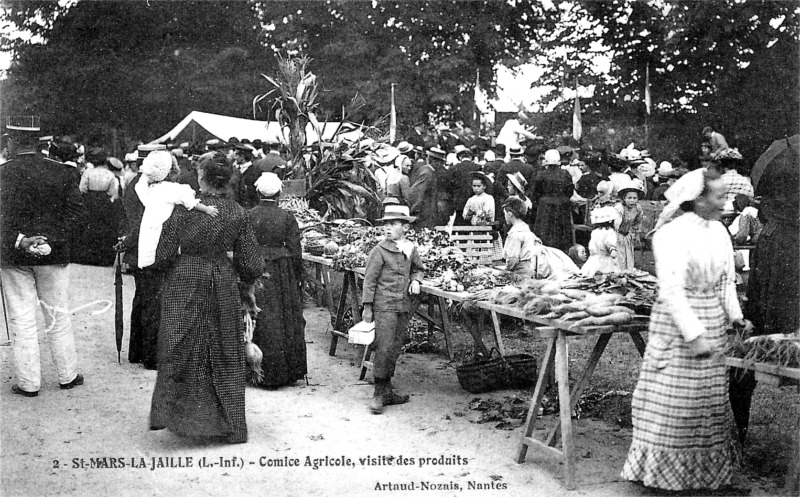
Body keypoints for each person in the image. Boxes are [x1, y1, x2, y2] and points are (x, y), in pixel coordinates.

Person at [622, 168, 750, 493]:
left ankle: (702, 478)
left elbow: (725, 282)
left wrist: (735, 318)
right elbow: (671, 291)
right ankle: (663, 480)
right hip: (679, 325)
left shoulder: (720, 230)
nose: (725, 202)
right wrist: (694, 335)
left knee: (707, 404)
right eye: (719, 196)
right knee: (674, 405)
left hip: (713, 320)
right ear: (697, 199)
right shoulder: (671, 234)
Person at [149, 152, 263, 444]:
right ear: (228, 180)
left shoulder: (184, 210)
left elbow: (162, 255)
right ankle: (229, 424)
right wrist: (245, 284)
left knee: (182, 344)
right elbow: (250, 263)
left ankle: (185, 419)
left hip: (185, 278)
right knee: (224, 347)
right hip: (222, 280)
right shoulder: (238, 212)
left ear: (201, 178)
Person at [0, 116, 85, 397]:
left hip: (14, 254)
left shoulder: (3, 173)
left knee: (21, 318)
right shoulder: (64, 173)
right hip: (54, 253)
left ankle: (28, 382)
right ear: (39, 142)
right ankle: (67, 375)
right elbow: (77, 216)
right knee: (58, 315)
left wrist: (22, 240)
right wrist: (50, 239)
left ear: (11, 141)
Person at [730, 139, 799, 445]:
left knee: (745, 359)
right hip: (785, 313)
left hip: (768, 317)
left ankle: (741, 427)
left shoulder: (769, 232)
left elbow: (757, 287)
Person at [361, 203, 425, 415]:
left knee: (396, 346)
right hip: (384, 306)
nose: (388, 228)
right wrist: (368, 307)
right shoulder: (379, 251)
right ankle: (378, 392)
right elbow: (369, 281)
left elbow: (418, 268)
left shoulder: (410, 249)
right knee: (384, 346)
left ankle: (388, 389)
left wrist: (416, 280)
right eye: (386, 224)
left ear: (405, 228)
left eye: (394, 224)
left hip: (402, 306)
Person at [247, 172, 307, 388]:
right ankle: (285, 371)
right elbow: (295, 250)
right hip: (281, 272)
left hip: (255, 270)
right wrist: (298, 276)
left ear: (257, 192)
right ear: (280, 193)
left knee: (258, 316)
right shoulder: (287, 217)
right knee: (282, 318)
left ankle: (256, 371)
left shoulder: (250, 215)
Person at [119, 143, 168, 369]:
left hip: (138, 248)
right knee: (152, 301)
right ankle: (150, 354)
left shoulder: (134, 183)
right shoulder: (145, 185)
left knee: (143, 297)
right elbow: (140, 222)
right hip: (148, 248)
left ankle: (137, 350)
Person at [135, 150, 219, 269]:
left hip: (149, 226)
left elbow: (140, 184)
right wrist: (207, 209)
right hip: (165, 230)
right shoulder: (174, 189)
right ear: (171, 172)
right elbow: (191, 203)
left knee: (149, 247)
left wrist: (148, 175)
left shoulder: (149, 189)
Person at [501, 197, 578, 280]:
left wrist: (507, 268)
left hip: (520, 271)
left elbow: (513, 257)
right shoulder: (527, 232)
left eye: (504, 213)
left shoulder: (515, 234)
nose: (504, 216)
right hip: (531, 267)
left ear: (510, 214)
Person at [73, 147, 126, 266]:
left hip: (89, 201)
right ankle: (102, 257)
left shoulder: (88, 172)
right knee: (103, 228)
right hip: (104, 202)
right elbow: (113, 192)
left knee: (89, 227)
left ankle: (86, 256)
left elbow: (82, 189)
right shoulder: (110, 175)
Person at [531, 149, 574, 252]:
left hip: (545, 207)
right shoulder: (565, 174)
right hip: (562, 206)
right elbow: (569, 191)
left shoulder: (541, 174)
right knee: (561, 234)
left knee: (545, 232)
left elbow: (536, 192)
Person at [614, 178, 644, 270]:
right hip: (617, 235)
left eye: (634, 198)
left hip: (627, 235)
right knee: (620, 258)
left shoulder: (638, 208)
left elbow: (638, 222)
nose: (632, 201)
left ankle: (628, 273)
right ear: (624, 198)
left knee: (629, 257)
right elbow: (616, 224)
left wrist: (635, 234)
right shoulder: (619, 208)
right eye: (629, 198)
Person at [580, 206, 620, 276]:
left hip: (593, 260)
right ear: (610, 221)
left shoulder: (594, 232)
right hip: (605, 261)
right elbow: (612, 250)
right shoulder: (610, 232)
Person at [713, 148, 753, 215]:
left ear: (722, 165)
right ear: (736, 165)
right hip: (739, 219)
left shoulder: (717, 182)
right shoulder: (745, 181)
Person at [407, 150, 438, 229]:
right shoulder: (427, 172)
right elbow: (416, 192)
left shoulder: (428, 171)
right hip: (424, 212)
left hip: (426, 211)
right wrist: (414, 211)